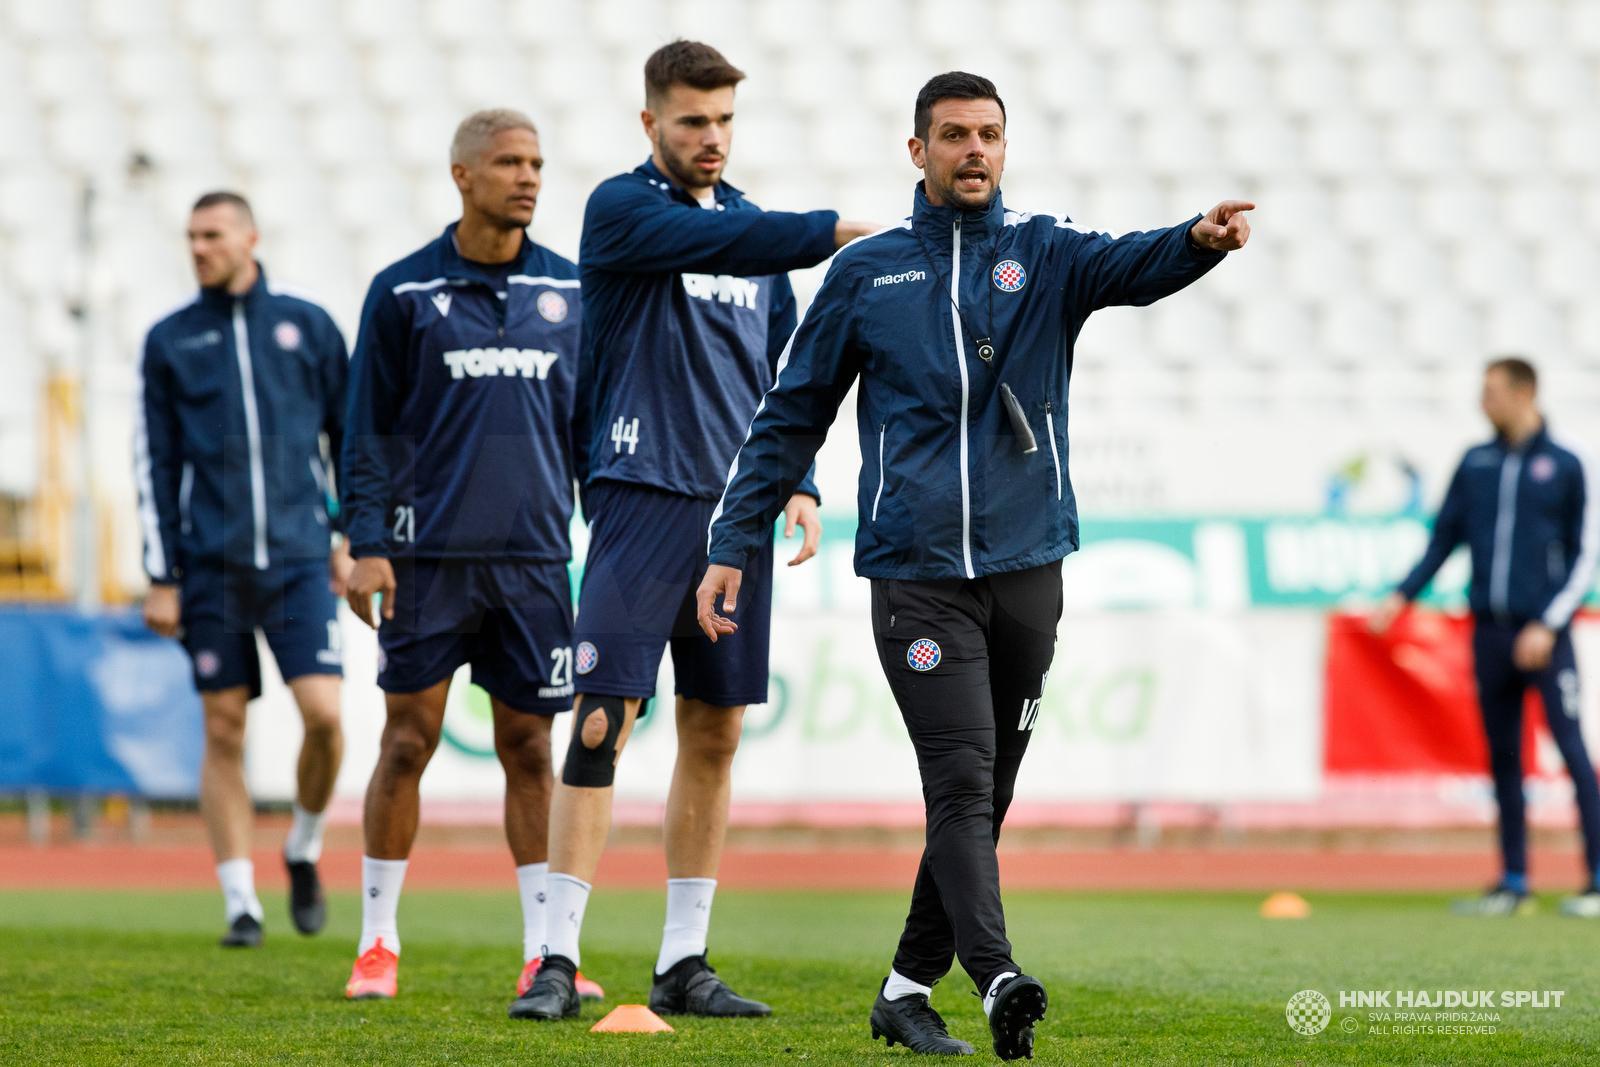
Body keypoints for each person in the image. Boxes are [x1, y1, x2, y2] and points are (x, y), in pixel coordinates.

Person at [697, 72, 1250, 1059]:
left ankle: (904, 990)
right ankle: (996, 975)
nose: (973, 151)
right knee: (960, 782)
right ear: (918, 151)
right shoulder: (867, 275)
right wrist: (732, 536)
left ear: (1005, 144)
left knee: (986, 794)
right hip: (914, 576)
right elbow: (791, 416)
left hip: (1028, 567)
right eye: (953, 135)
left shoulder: (1043, 253)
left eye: (988, 134)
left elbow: (1136, 263)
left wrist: (1197, 242)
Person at [512, 40, 877, 1022]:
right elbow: (740, 245)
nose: (710, 138)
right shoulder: (622, 212)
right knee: (601, 717)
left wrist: (796, 478)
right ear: (650, 124)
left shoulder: (753, 233)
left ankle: (683, 958)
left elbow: (784, 375)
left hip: (735, 516)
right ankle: (553, 956)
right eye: (691, 121)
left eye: (721, 121)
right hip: (638, 496)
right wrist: (843, 229)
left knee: (713, 728)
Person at [338, 109, 601, 1004]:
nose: (527, 177)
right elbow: (366, 428)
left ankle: (544, 953)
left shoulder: (574, 289)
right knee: (406, 739)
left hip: (533, 561)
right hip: (426, 562)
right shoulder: (404, 291)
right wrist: (365, 541)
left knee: (532, 747)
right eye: (507, 163)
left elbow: (589, 432)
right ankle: (377, 943)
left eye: (536, 161)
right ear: (462, 175)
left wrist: (609, 540)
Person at [136, 190, 350, 948]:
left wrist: (351, 534)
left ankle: (303, 844)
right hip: (212, 568)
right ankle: (239, 902)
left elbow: (349, 439)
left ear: (250, 237)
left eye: (213, 234)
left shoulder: (308, 326)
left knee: (325, 716)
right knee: (223, 727)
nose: (199, 247)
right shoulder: (170, 340)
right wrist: (161, 575)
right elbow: (155, 463)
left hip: (298, 559)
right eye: (191, 236)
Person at [1372, 357, 1600, 918]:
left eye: (1493, 391)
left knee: (1572, 751)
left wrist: (1548, 623)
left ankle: (1596, 879)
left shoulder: (1568, 462)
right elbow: (1443, 537)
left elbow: (1585, 554)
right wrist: (1402, 594)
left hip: (1545, 636)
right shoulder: (1476, 463)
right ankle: (1514, 881)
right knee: (1502, 758)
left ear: (1525, 393)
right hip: (1490, 633)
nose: (1484, 401)